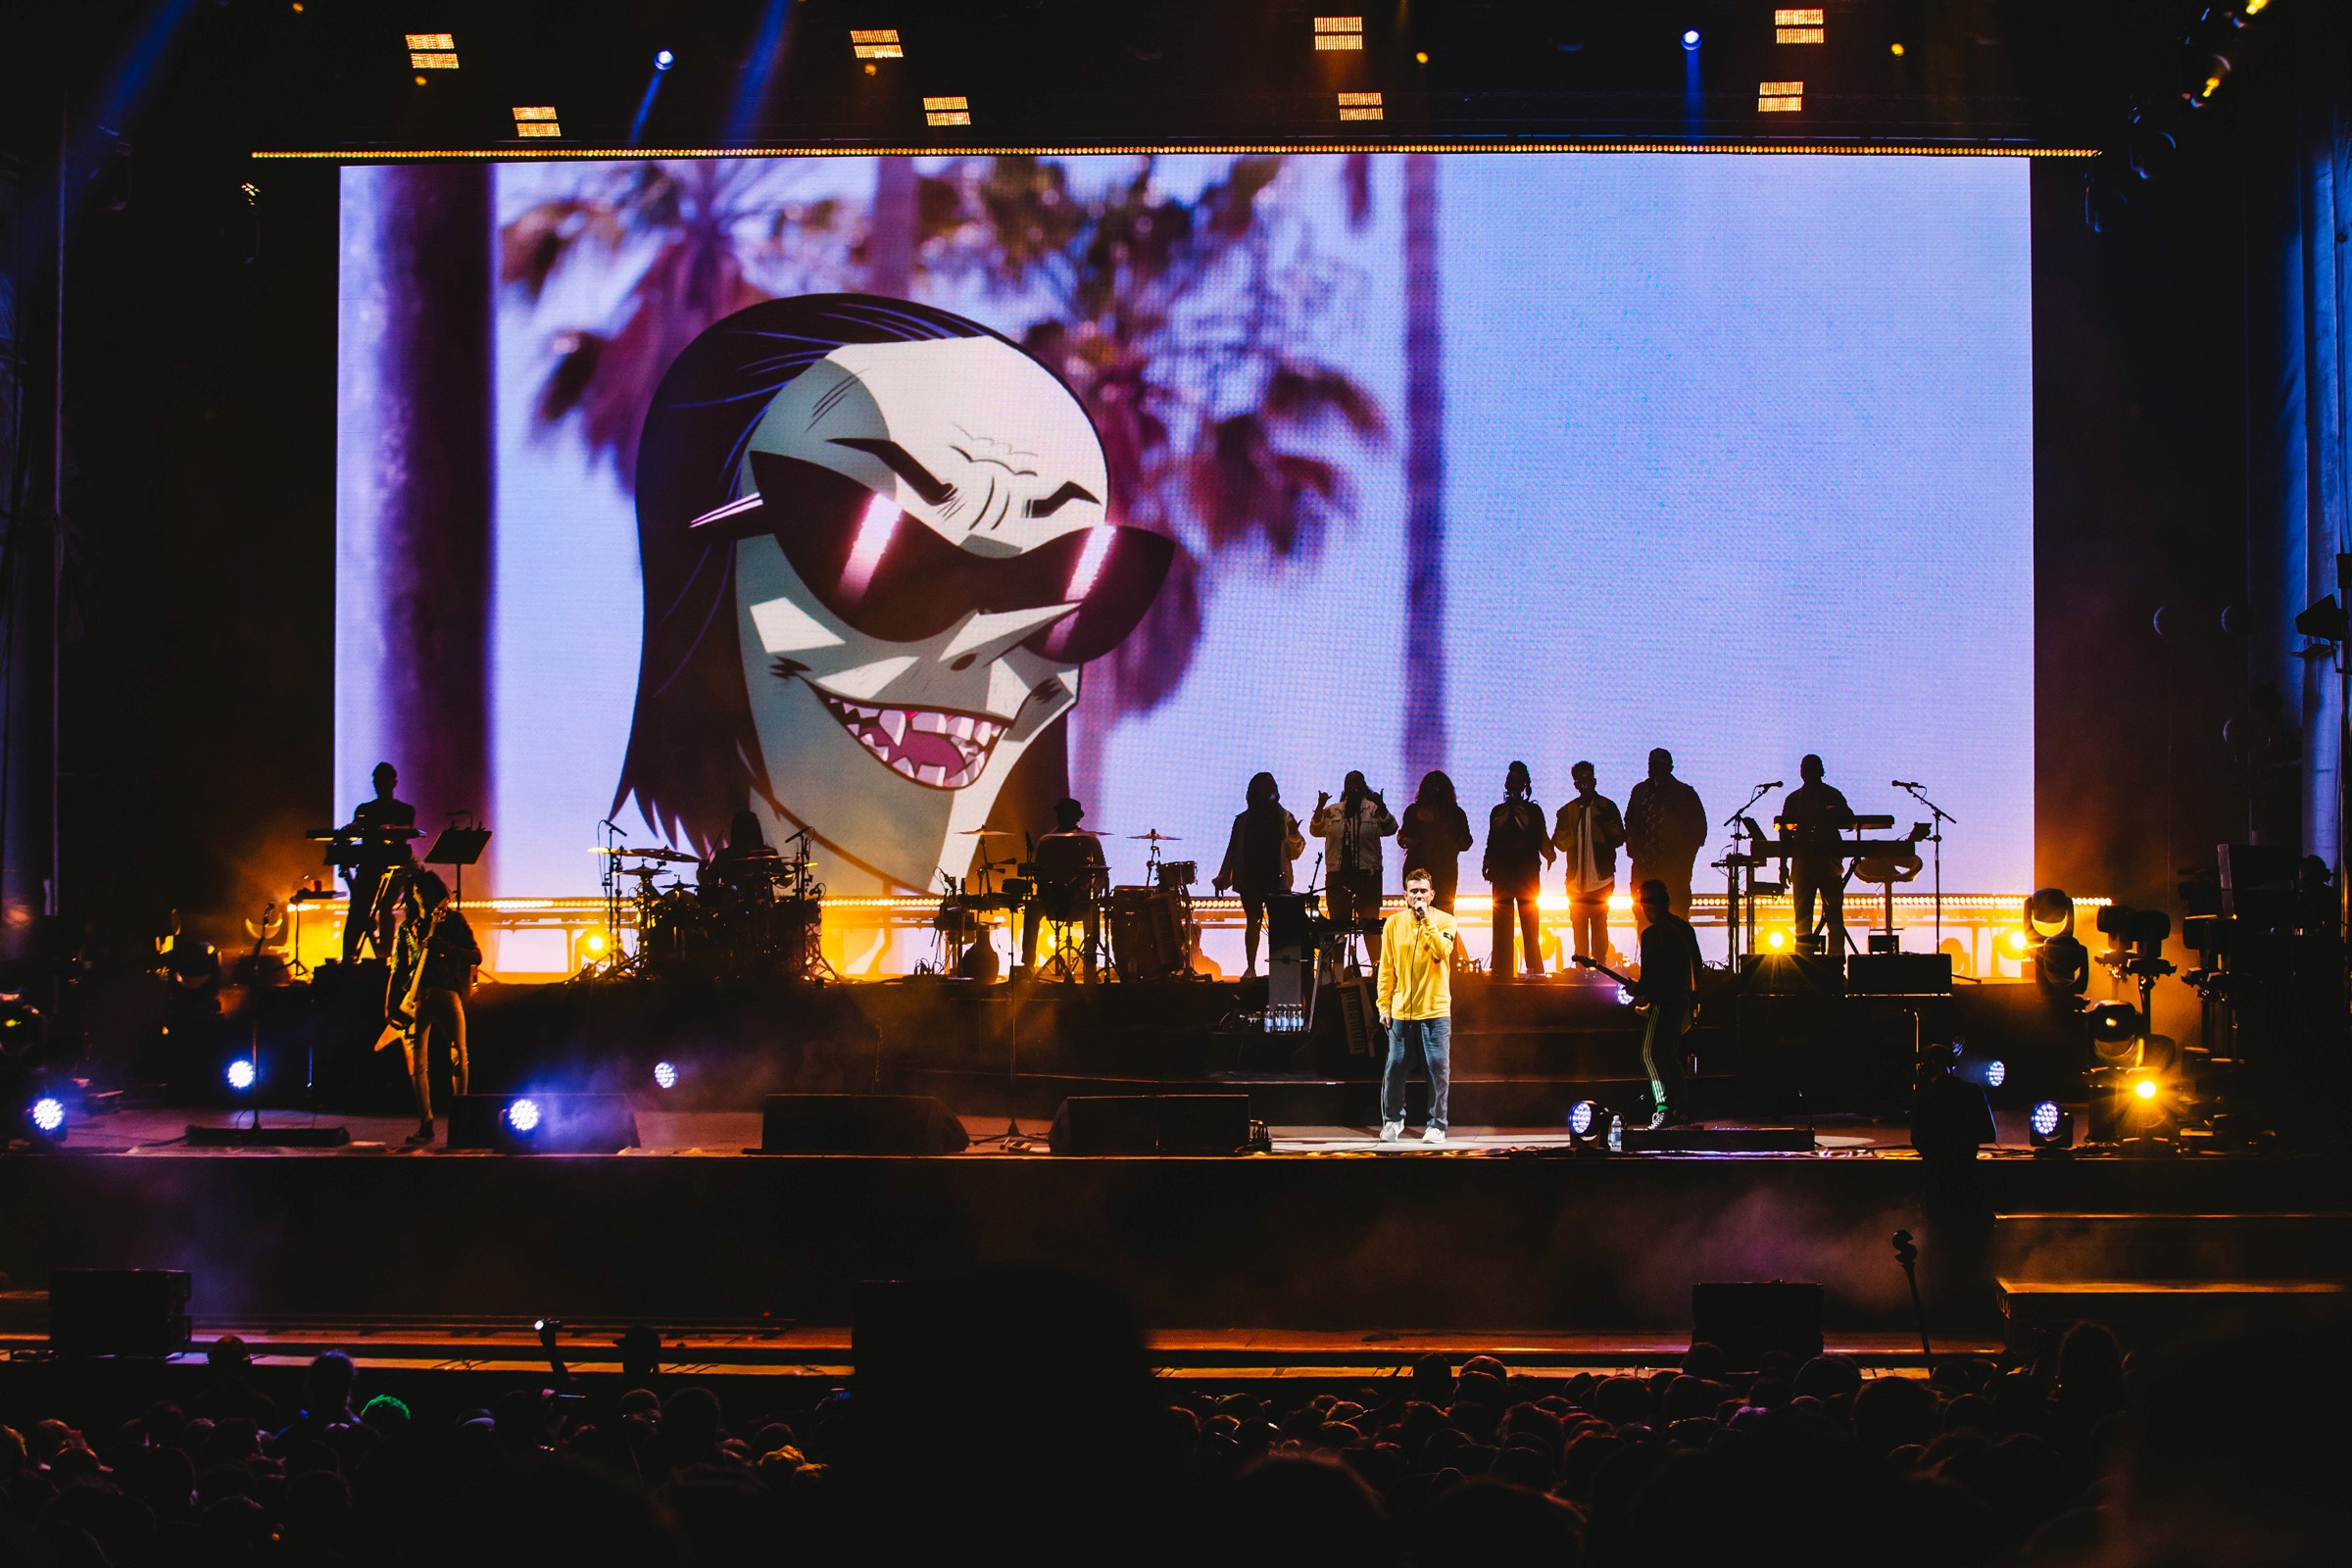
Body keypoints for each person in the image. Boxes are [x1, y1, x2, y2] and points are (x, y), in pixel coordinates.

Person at [384, 867, 481, 1145]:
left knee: (459, 1056)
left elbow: (477, 955)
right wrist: (389, 1005)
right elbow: (398, 969)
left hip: (447, 993)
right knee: (417, 1064)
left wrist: (444, 946)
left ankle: (460, 1119)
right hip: (415, 999)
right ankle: (425, 1123)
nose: (418, 898)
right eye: (415, 894)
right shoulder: (407, 929)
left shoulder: (453, 921)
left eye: (422, 892)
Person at [1376, 867, 1459, 1144]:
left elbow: (1441, 950)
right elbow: (1386, 968)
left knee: (1437, 1067)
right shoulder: (1393, 924)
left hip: (1435, 1009)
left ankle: (1437, 1126)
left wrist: (1426, 922)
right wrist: (1384, 1005)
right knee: (1395, 1066)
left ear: (1432, 894)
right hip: (1401, 1011)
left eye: (1424, 891)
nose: (1419, 895)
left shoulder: (1445, 922)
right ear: (1405, 896)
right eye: (1414, 891)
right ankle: (1392, 1120)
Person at [1212, 773, 1305, 977]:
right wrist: (1223, 877)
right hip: (1251, 878)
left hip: (1274, 878)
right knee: (1254, 923)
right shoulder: (1244, 820)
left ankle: (1274, 969)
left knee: (1270, 924)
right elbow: (1232, 850)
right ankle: (1253, 967)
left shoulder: (1282, 817)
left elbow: (1295, 851)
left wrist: (1294, 833)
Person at [1632, 878, 1702, 1128]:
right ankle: (1681, 1109)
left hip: (1663, 1003)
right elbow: (1698, 967)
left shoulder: (1652, 935)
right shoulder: (1685, 929)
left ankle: (1663, 1107)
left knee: (1650, 1054)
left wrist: (1638, 989)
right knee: (1668, 1056)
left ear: (1646, 906)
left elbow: (1650, 978)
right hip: (1681, 1001)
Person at [1310, 772, 1396, 964]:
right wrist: (1319, 806)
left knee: (1370, 929)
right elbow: (1315, 830)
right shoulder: (1333, 811)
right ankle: (1337, 977)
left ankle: (1379, 977)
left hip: (1368, 877)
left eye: (1358, 783)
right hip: (1338, 877)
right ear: (1344, 787)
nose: (1354, 787)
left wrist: (1381, 806)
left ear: (1364, 785)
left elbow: (1391, 828)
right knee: (1338, 930)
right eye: (1350, 783)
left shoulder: (1373, 809)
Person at [1482, 761, 1553, 981]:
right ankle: (1502, 969)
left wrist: (1549, 854)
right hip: (1503, 874)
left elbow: (1541, 835)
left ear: (1524, 785)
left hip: (1526, 874)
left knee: (1530, 923)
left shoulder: (1532, 811)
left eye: (1517, 781)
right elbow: (1491, 840)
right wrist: (1487, 862)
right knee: (1501, 924)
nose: (1513, 785)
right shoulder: (1498, 811)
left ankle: (1534, 968)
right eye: (1510, 780)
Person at [1023, 798, 1106, 980]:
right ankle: (1027, 964)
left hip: (1078, 900)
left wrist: (1094, 891)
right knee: (1031, 909)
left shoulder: (1088, 841)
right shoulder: (1046, 841)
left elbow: (1102, 874)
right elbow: (1038, 873)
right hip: (1053, 900)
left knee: (1092, 910)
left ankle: (1090, 964)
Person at [1624, 748, 1707, 930]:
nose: (1655, 770)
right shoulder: (1640, 792)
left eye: (1660, 766)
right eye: (1652, 766)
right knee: (1644, 920)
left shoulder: (1684, 794)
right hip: (1644, 871)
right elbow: (1629, 823)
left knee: (1677, 917)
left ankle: (1680, 958)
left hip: (1674, 874)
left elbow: (1699, 832)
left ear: (1670, 768)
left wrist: (1682, 861)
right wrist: (1636, 852)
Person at [1552, 760, 1624, 967]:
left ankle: (1600, 969)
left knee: (1600, 927)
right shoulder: (1569, 810)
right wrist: (1563, 823)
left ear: (1594, 780)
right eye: (1581, 780)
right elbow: (1560, 843)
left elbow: (1619, 838)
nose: (1585, 784)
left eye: (1588, 779)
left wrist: (1606, 820)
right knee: (1579, 929)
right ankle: (1582, 971)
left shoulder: (1607, 806)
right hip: (1575, 883)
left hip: (1601, 880)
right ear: (1575, 783)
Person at [1782, 754, 1854, 956]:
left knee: (1809, 918)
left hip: (1814, 864)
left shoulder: (1796, 799)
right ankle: (1833, 961)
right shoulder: (1828, 795)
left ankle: (1813, 962)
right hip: (1820, 864)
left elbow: (1849, 819)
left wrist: (1783, 867)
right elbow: (1850, 821)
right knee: (1828, 917)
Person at [341, 761, 415, 961]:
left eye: (382, 780)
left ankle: (385, 957)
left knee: (385, 907)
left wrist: (390, 828)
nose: (377, 785)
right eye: (375, 781)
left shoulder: (404, 810)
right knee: (357, 909)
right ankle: (348, 957)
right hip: (370, 867)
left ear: (393, 782)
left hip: (396, 870)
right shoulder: (365, 809)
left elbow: (407, 830)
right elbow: (357, 824)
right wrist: (351, 827)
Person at [1396, 771, 1474, 914]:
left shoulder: (1455, 813)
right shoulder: (1415, 811)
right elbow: (1402, 835)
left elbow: (1466, 842)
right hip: (1422, 871)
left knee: (1441, 916)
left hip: (1442, 872)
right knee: (1421, 917)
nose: (1434, 788)